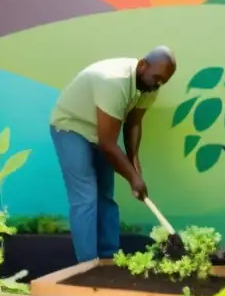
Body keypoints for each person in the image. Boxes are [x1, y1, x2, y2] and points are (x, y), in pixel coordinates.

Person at [49, 48, 176, 263]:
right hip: (72, 127)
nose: (157, 85)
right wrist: (133, 178)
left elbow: (134, 122)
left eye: (163, 81)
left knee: (105, 196)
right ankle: (88, 265)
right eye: (156, 78)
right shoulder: (114, 81)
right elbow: (108, 143)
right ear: (143, 65)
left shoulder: (150, 86)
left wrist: (134, 162)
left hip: (101, 133)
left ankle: (109, 259)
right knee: (86, 197)